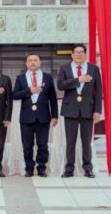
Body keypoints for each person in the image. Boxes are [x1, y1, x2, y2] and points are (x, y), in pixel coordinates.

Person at [57, 44, 103, 178]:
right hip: (70, 109)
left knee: (86, 141)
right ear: (71, 55)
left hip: (88, 110)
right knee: (70, 141)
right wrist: (78, 80)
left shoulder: (93, 69)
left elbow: (98, 91)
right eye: (76, 52)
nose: (78, 54)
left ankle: (88, 168)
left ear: (85, 54)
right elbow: (60, 85)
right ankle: (69, 169)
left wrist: (97, 110)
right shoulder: (64, 68)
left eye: (81, 52)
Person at [13, 53, 58, 177]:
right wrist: (29, 91)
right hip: (26, 117)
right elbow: (14, 95)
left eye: (35, 60)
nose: (32, 62)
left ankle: (42, 167)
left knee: (42, 144)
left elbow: (53, 98)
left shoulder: (47, 77)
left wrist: (55, 115)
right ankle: (29, 168)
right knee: (27, 145)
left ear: (40, 62)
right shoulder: (20, 78)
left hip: (43, 117)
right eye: (30, 60)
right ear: (26, 63)